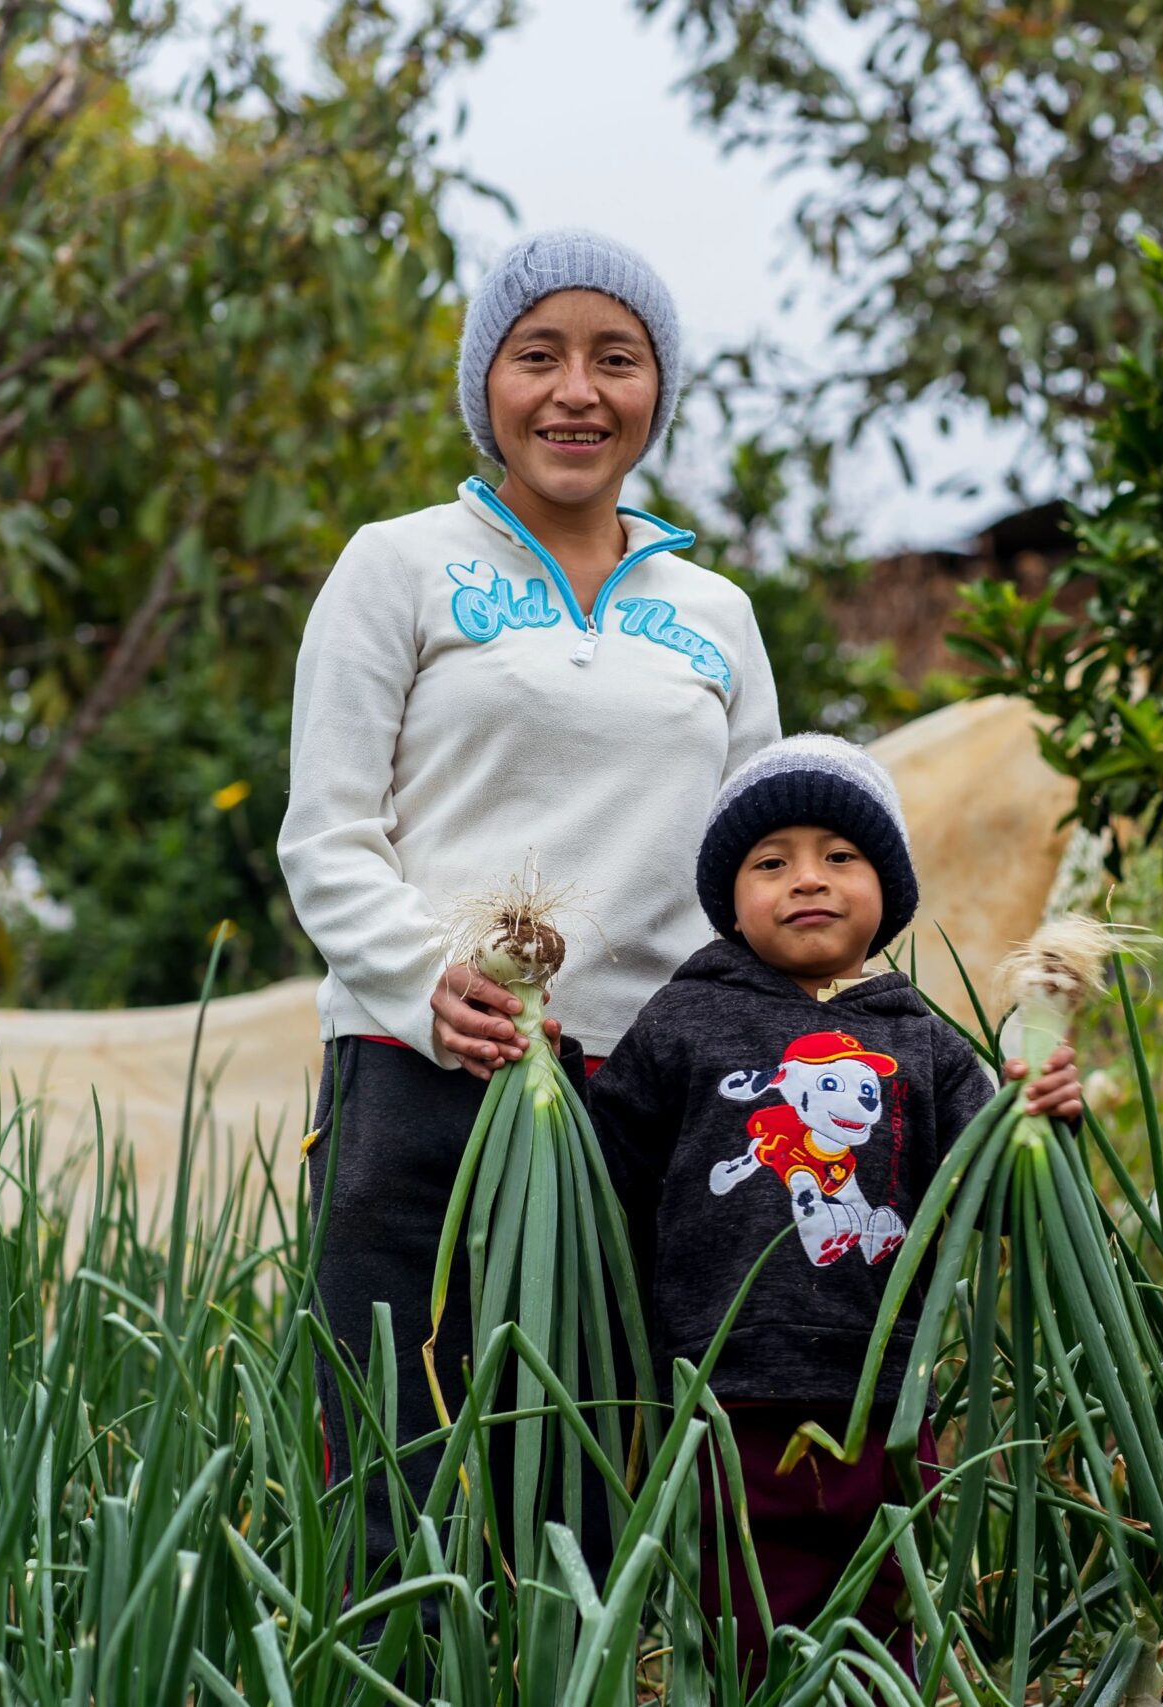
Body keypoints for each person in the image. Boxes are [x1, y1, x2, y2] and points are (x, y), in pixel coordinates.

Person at [279, 228, 781, 1583]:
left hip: (645, 1097)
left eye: (615, 359)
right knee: (401, 1482)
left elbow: (760, 872)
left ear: (655, 391)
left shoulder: (716, 613)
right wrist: (419, 974)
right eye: (537, 353)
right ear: (483, 382)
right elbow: (326, 834)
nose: (576, 390)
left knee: (593, 1492)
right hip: (423, 1069)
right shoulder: (400, 563)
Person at [583, 734, 1082, 1681]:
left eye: (838, 857)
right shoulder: (685, 1018)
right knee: (740, 1622)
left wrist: (1044, 1124)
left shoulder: (924, 1041)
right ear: (730, 900)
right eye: (771, 863)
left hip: (883, 1392)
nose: (806, 880)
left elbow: (999, 1200)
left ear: (887, 889)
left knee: (878, 1613)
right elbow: (607, 1170)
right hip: (719, 1395)